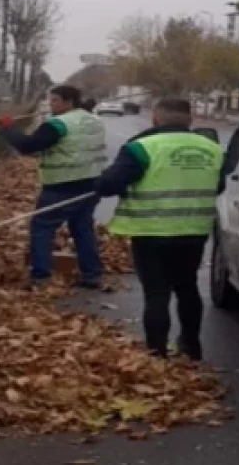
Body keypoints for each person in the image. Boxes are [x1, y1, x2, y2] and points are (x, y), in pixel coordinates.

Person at [95, 98, 223, 360]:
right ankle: (191, 346)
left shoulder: (141, 147)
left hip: (150, 231)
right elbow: (218, 185)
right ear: (191, 119)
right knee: (187, 287)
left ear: (155, 118)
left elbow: (108, 184)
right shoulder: (213, 149)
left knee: (156, 292)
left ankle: (157, 353)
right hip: (193, 231)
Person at [0, 85, 108, 289]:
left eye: (55, 100)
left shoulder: (58, 124)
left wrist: (8, 128)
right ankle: (92, 274)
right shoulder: (94, 120)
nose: (51, 104)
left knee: (41, 227)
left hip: (62, 185)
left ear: (69, 102)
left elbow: (27, 146)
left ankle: (40, 277)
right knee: (82, 227)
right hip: (92, 182)